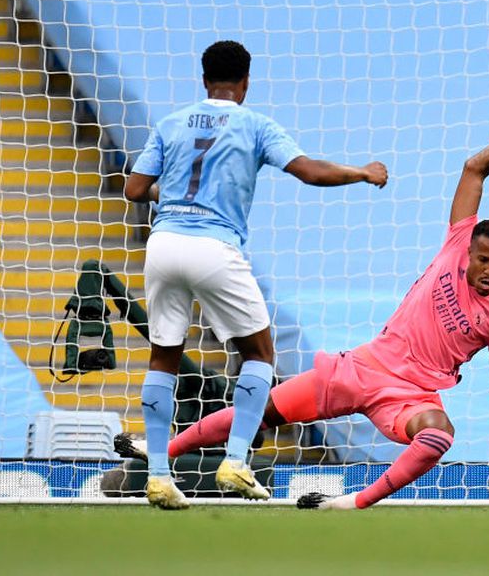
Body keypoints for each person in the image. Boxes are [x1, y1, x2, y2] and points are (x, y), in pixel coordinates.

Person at [119, 101, 489, 510]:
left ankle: (351, 503)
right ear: (469, 250)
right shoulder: (457, 240)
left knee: (440, 435)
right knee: (263, 409)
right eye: (484, 259)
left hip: (411, 396)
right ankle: (159, 449)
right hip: (362, 366)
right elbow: (474, 169)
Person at [123, 40, 388, 509]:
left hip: (162, 244)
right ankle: (237, 460)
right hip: (215, 246)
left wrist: (177, 195)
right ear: (246, 82)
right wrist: (361, 172)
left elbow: (135, 188)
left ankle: (160, 476)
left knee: (163, 357)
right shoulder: (255, 125)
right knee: (260, 352)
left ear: (203, 79)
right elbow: (309, 171)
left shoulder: (171, 123)